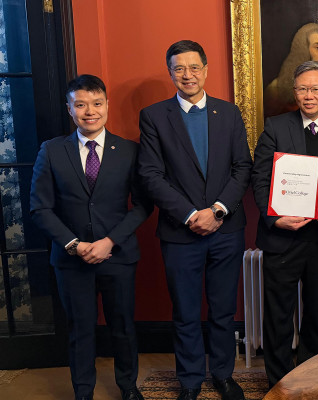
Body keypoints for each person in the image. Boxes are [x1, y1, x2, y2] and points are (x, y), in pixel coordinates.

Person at [138, 40, 252, 400]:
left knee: (222, 309)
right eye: (178, 69)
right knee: (185, 312)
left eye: (193, 67)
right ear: (171, 72)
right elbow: (151, 175)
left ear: (206, 69)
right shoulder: (155, 116)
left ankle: (222, 374)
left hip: (226, 229)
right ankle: (189, 381)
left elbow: (242, 167)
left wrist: (217, 210)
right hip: (179, 232)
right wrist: (190, 215)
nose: (187, 75)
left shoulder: (230, 113)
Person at [30, 74, 152, 400]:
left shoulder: (129, 151)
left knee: (123, 328)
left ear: (107, 106)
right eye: (81, 105)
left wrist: (110, 241)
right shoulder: (52, 151)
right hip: (72, 260)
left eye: (97, 104)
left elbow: (142, 206)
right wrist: (75, 244)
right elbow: (40, 208)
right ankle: (83, 392)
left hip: (118, 255)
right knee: (80, 330)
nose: (90, 111)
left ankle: (128, 387)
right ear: (69, 109)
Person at [252, 61, 318, 387]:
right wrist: (274, 218)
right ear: (294, 91)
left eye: (315, 89)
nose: (308, 96)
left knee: (316, 314)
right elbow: (260, 179)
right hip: (283, 238)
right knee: (279, 316)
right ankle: (279, 384)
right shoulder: (275, 127)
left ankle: (309, 377)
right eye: (302, 89)